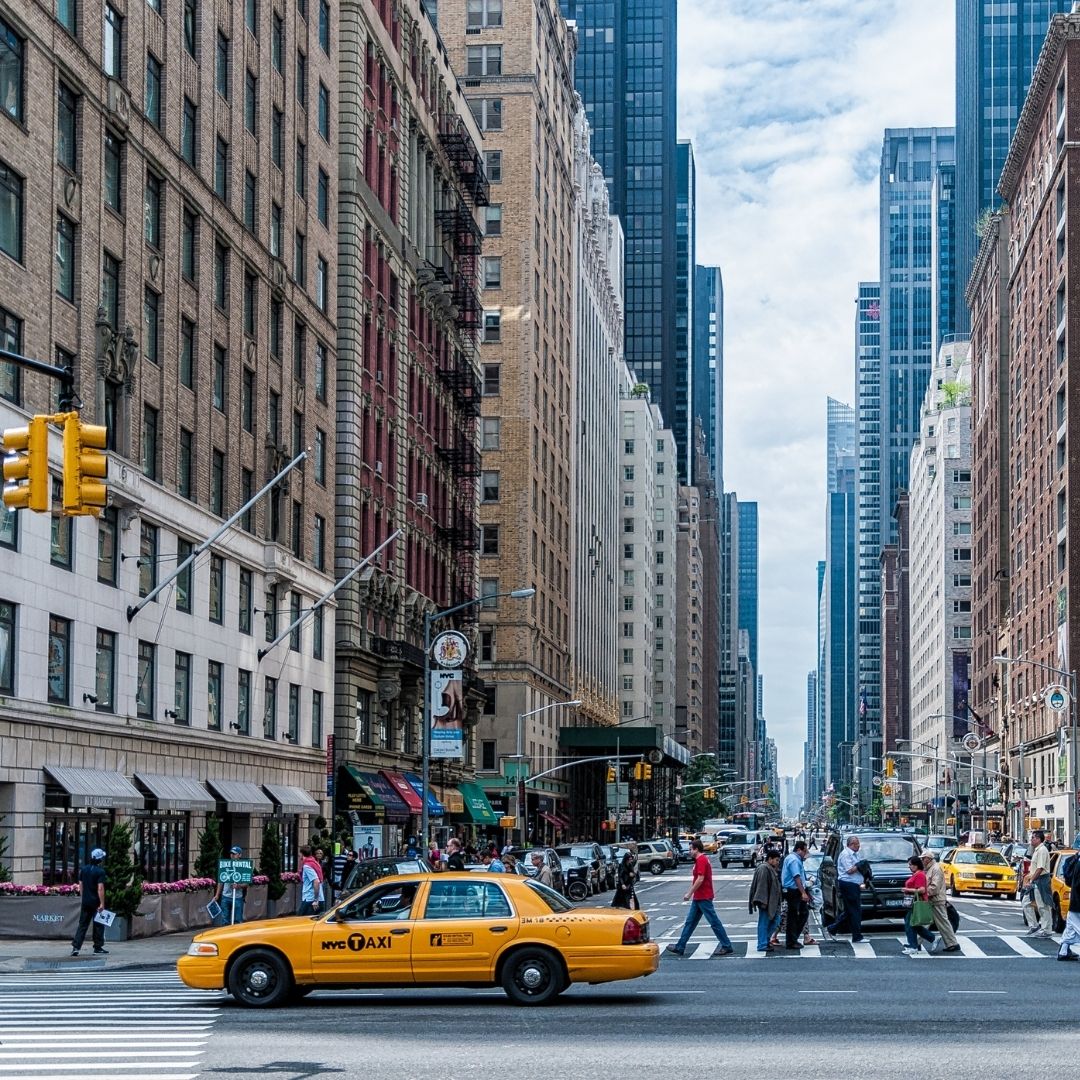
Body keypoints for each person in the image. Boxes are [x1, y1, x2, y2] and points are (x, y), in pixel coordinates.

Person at [665, 839, 734, 958]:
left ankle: (726, 945)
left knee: (713, 922)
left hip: (703, 896)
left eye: (691, 849)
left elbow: (700, 879)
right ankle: (680, 946)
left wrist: (689, 893)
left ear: (696, 849)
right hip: (700, 896)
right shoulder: (701, 859)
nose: (689, 851)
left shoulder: (701, 860)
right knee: (690, 922)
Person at [824, 835, 866, 944]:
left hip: (853, 885)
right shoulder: (846, 855)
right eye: (857, 844)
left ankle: (833, 928)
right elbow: (849, 870)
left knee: (849, 911)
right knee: (855, 910)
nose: (859, 846)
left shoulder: (854, 854)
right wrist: (859, 865)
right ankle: (857, 936)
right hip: (848, 884)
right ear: (851, 844)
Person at [71, 847, 108, 957]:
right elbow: (100, 888)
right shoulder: (100, 872)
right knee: (99, 925)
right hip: (96, 902)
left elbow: (80, 884)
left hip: (86, 901)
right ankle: (98, 947)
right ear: (100, 860)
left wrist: (83, 896)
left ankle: (76, 947)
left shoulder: (84, 869)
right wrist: (102, 903)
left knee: (82, 925)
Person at [922, 850, 960, 953]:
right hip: (933, 900)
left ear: (928, 859)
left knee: (940, 922)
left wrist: (925, 893)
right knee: (931, 922)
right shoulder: (931, 868)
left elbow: (935, 887)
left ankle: (952, 943)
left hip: (936, 900)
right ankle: (915, 943)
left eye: (923, 858)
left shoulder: (935, 869)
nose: (922, 860)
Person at [900, 855, 935, 956]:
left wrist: (907, 890)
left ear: (916, 865)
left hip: (916, 902)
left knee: (910, 924)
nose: (909, 867)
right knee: (913, 924)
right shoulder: (917, 874)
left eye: (911, 865)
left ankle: (913, 946)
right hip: (912, 902)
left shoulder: (919, 875)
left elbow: (922, 890)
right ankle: (931, 938)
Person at [749, 848, 783, 953]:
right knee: (764, 923)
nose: (777, 862)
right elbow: (761, 886)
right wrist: (762, 901)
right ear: (770, 859)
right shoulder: (764, 868)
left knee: (775, 920)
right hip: (765, 901)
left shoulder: (770, 869)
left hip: (771, 902)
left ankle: (765, 940)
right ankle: (762, 944)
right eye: (776, 860)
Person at [780, 840, 811, 950]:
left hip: (794, 890)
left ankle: (793, 938)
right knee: (794, 916)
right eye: (804, 851)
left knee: (802, 913)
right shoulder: (793, 860)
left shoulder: (793, 858)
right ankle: (791, 940)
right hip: (793, 891)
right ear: (799, 849)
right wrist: (803, 892)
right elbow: (796, 877)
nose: (805, 853)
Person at [1024, 829, 1054, 939]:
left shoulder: (1042, 850)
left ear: (1038, 839)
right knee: (1026, 902)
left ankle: (1047, 930)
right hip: (1035, 880)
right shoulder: (1036, 850)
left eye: (1033, 837)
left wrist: (1031, 880)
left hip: (1041, 880)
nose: (1031, 839)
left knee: (1043, 905)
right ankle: (1034, 925)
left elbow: (1040, 868)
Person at [214, 844, 248, 926]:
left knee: (237, 920)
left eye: (234, 854)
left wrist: (239, 886)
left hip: (237, 897)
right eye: (231, 853)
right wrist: (217, 895)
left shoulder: (244, 867)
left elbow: (246, 883)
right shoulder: (225, 865)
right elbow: (221, 881)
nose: (232, 855)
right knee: (225, 919)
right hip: (226, 896)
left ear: (239, 855)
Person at [1057, 851, 1080, 961]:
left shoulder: (1075, 860)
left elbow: (1071, 881)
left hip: (1075, 901)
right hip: (1078, 902)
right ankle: (1063, 951)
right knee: (1075, 927)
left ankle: (1063, 951)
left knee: (1071, 928)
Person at [298, 846, 325, 916]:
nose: (299, 855)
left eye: (300, 853)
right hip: (319, 899)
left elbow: (316, 881)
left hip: (310, 900)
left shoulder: (307, 866)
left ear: (302, 854)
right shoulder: (314, 863)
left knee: (301, 921)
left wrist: (315, 900)